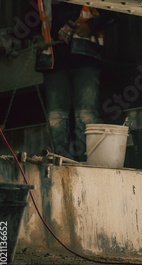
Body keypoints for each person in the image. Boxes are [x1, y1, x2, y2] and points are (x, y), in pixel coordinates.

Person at [35, 1, 115, 161]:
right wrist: (35, 36)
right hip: (54, 59)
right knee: (56, 117)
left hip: (85, 57)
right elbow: (34, 21)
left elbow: (112, 12)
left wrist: (90, 26)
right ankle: (60, 161)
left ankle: (87, 162)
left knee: (86, 114)